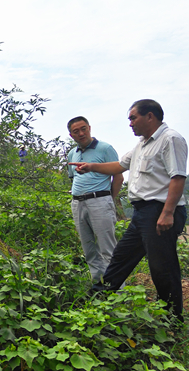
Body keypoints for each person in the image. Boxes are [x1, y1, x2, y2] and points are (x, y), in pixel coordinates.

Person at [70, 99, 187, 322]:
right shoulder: (142, 145)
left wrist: (167, 213)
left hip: (160, 211)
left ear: (150, 116)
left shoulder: (170, 139)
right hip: (142, 213)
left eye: (133, 118)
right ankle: (98, 303)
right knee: (120, 257)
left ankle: (172, 319)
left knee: (162, 267)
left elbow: (178, 176)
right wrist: (91, 167)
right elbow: (119, 166)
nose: (130, 123)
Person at [66, 116, 124, 285]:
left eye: (83, 129)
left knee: (108, 248)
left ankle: (116, 288)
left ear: (90, 128)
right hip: (77, 203)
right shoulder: (72, 153)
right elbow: (73, 177)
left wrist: (108, 199)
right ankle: (98, 285)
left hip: (99, 201)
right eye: (76, 131)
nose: (81, 133)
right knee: (89, 248)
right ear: (71, 135)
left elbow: (118, 177)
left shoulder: (105, 149)